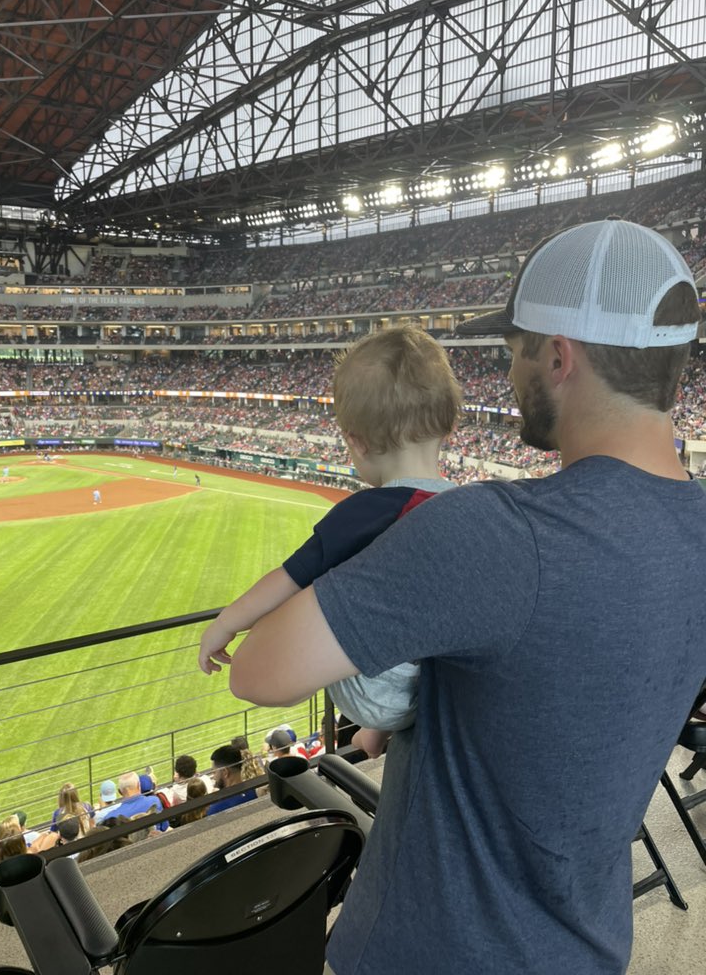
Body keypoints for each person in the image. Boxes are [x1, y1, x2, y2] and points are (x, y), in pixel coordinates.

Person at [228, 220, 706, 975]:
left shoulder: (494, 533)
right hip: (586, 946)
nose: (509, 371)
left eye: (513, 349)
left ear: (558, 355)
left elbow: (257, 671)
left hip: (426, 950)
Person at [199, 326, 462, 756]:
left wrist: (225, 623)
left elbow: (287, 579)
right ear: (451, 424)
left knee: (325, 606)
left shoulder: (365, 511)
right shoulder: (467, 504)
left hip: (380, 698)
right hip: (436, 685)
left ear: (354, 444)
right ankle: (376, 735)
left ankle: (376, 727)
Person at [206, 745, 258, 816]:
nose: (214, 777)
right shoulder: (255, 792)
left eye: (214, 772)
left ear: (225, 772)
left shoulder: (216, 809)